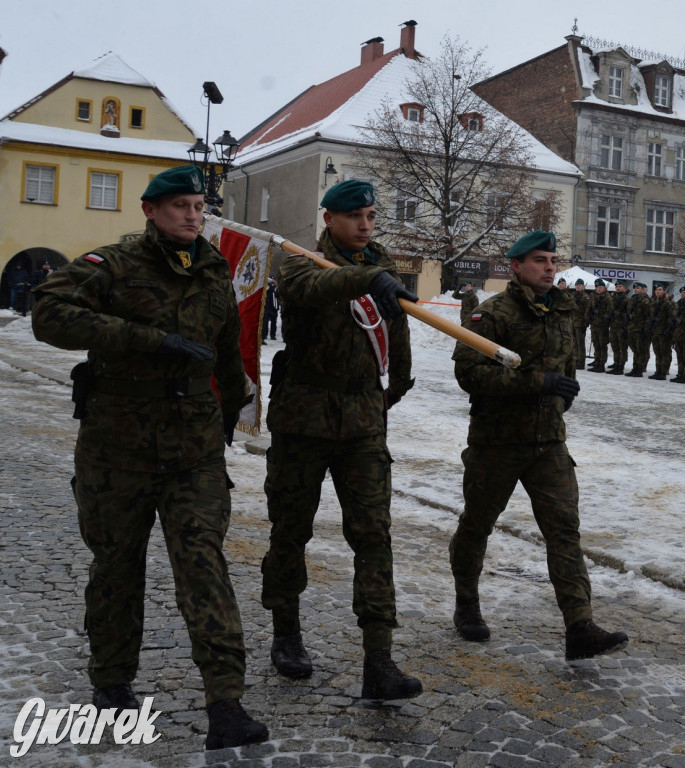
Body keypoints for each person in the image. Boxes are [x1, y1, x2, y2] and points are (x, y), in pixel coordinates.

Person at [31, 165, 268, 750]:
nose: (192, 215)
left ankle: (226, 702)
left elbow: (225, 352)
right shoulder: (112, 265)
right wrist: (147, 338)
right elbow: (48, 315)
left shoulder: (214, 271)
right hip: (118, 450)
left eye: (198, 206)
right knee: (115, 570)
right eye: (180, 206)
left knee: (203, 566)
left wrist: (234, 408)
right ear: (150, 211)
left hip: (193, 451)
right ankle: (111, 688)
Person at [261, 179, 423, 700]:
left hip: (361, 423)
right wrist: (367, 277)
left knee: (374, 535)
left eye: (371, 216)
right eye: (354, 216)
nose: (365, 225)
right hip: (303, 419)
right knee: (290, 530)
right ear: (329, 218)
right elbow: (312, 290)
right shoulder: (300, 262)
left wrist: (393, 390)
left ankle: (379, 659)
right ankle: (286, 634)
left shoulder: (383, 267)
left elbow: (397, 334)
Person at [450, 230, 628, 661]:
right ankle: (467, 602)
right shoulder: (492, 314)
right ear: (516, 266)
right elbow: (470, 375)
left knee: (564, 532)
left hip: (548, 441)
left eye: (553, 260)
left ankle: (579, 626)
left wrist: (564, 391)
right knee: (477, 524)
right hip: (497, 442)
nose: (550, 267)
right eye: (540, 260)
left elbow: (567, 364)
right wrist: (538, 382)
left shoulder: (564, 310)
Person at [625, 282, 653, 377]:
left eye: (638, 288)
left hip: (640, 329)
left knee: (640, 350)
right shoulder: (633, 299)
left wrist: (645, 329)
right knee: (635, 350)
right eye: (635, 288)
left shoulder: (645, 301)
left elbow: (648, 316)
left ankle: (639, 370)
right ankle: (635, 368)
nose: (635, 289)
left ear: (642, 289)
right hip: (632, 328)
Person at [648, 284, 675, 380]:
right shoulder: (654, 302)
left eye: (660, 289)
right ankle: (658, 371)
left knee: (665, 353)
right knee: (657, 352)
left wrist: (669, 331)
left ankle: (663, 372)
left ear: (664, 291)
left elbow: (671, 318)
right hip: (655, 331)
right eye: (656, 290)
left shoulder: (667, 303)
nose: (658, 291)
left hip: (664, 331)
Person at [587, 278, 612, 373]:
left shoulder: (608, 298)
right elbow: (589, 308)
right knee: (596, 344)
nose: (599, 289)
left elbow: (610, 311)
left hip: (602, 325)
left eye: (600, 287)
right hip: (594, 324)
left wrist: (604, 319)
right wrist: (588, 317)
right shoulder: (593, 297)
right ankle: (597, 362)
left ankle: (602, 364)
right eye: (597, 287)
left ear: (604, 288)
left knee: (602, 345)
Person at [607, 280, 630, 375]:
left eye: (620, 286)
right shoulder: (612, 299)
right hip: (613, 326)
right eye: (617, 286)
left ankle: (621, 366)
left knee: (622, 347)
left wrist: (621, 314)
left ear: (624, 288)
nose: (618, 288)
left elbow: (629, 314)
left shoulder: (627, 300)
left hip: (622, 326)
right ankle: (616, 364)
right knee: (615, 347)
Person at [571, 278, 590, 369]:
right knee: (574, 343)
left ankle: (581, 362)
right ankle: (575, 360)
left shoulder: (585, 297)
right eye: (577, 285)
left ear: (583, 286)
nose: (578, 287)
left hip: (580, 323)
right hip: (573, 322)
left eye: (580, 285)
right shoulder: (573, 296)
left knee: (580, 343)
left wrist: (585, 321)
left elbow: (587, 310)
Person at [671, 286, 685, 383]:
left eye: (684, 292)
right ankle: (680, 374)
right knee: (680, 356)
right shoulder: (678, 304)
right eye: (682, 292)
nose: (683, 294)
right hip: (678, 334)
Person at [261, 275, 280, 344]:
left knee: (274, 322)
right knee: (265, 322)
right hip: (268, 307)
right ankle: (264, 335)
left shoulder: (276, 287)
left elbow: (278, 296)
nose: (273, 281)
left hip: (274, 307)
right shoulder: (268, 287)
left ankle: (273, 335)